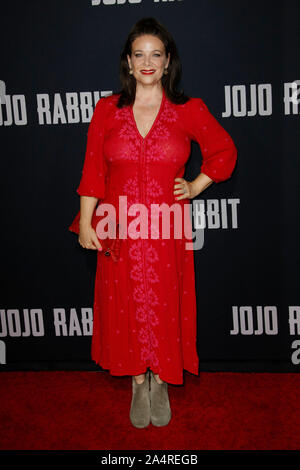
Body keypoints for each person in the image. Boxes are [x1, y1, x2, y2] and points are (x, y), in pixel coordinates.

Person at [69, 17, 237, 429]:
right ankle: (135, 380)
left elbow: (223, 152)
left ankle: (159, 379)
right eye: (139, 54)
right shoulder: (107, 110)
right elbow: (93, 171)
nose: (147, 62)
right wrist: (88, 222)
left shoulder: (187, 110)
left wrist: (196, 187)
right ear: (128, 62)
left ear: (167, 63)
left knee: (164, 303)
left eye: (155, 55)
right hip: (117, 226)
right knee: (125, 303)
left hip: (166, 227)